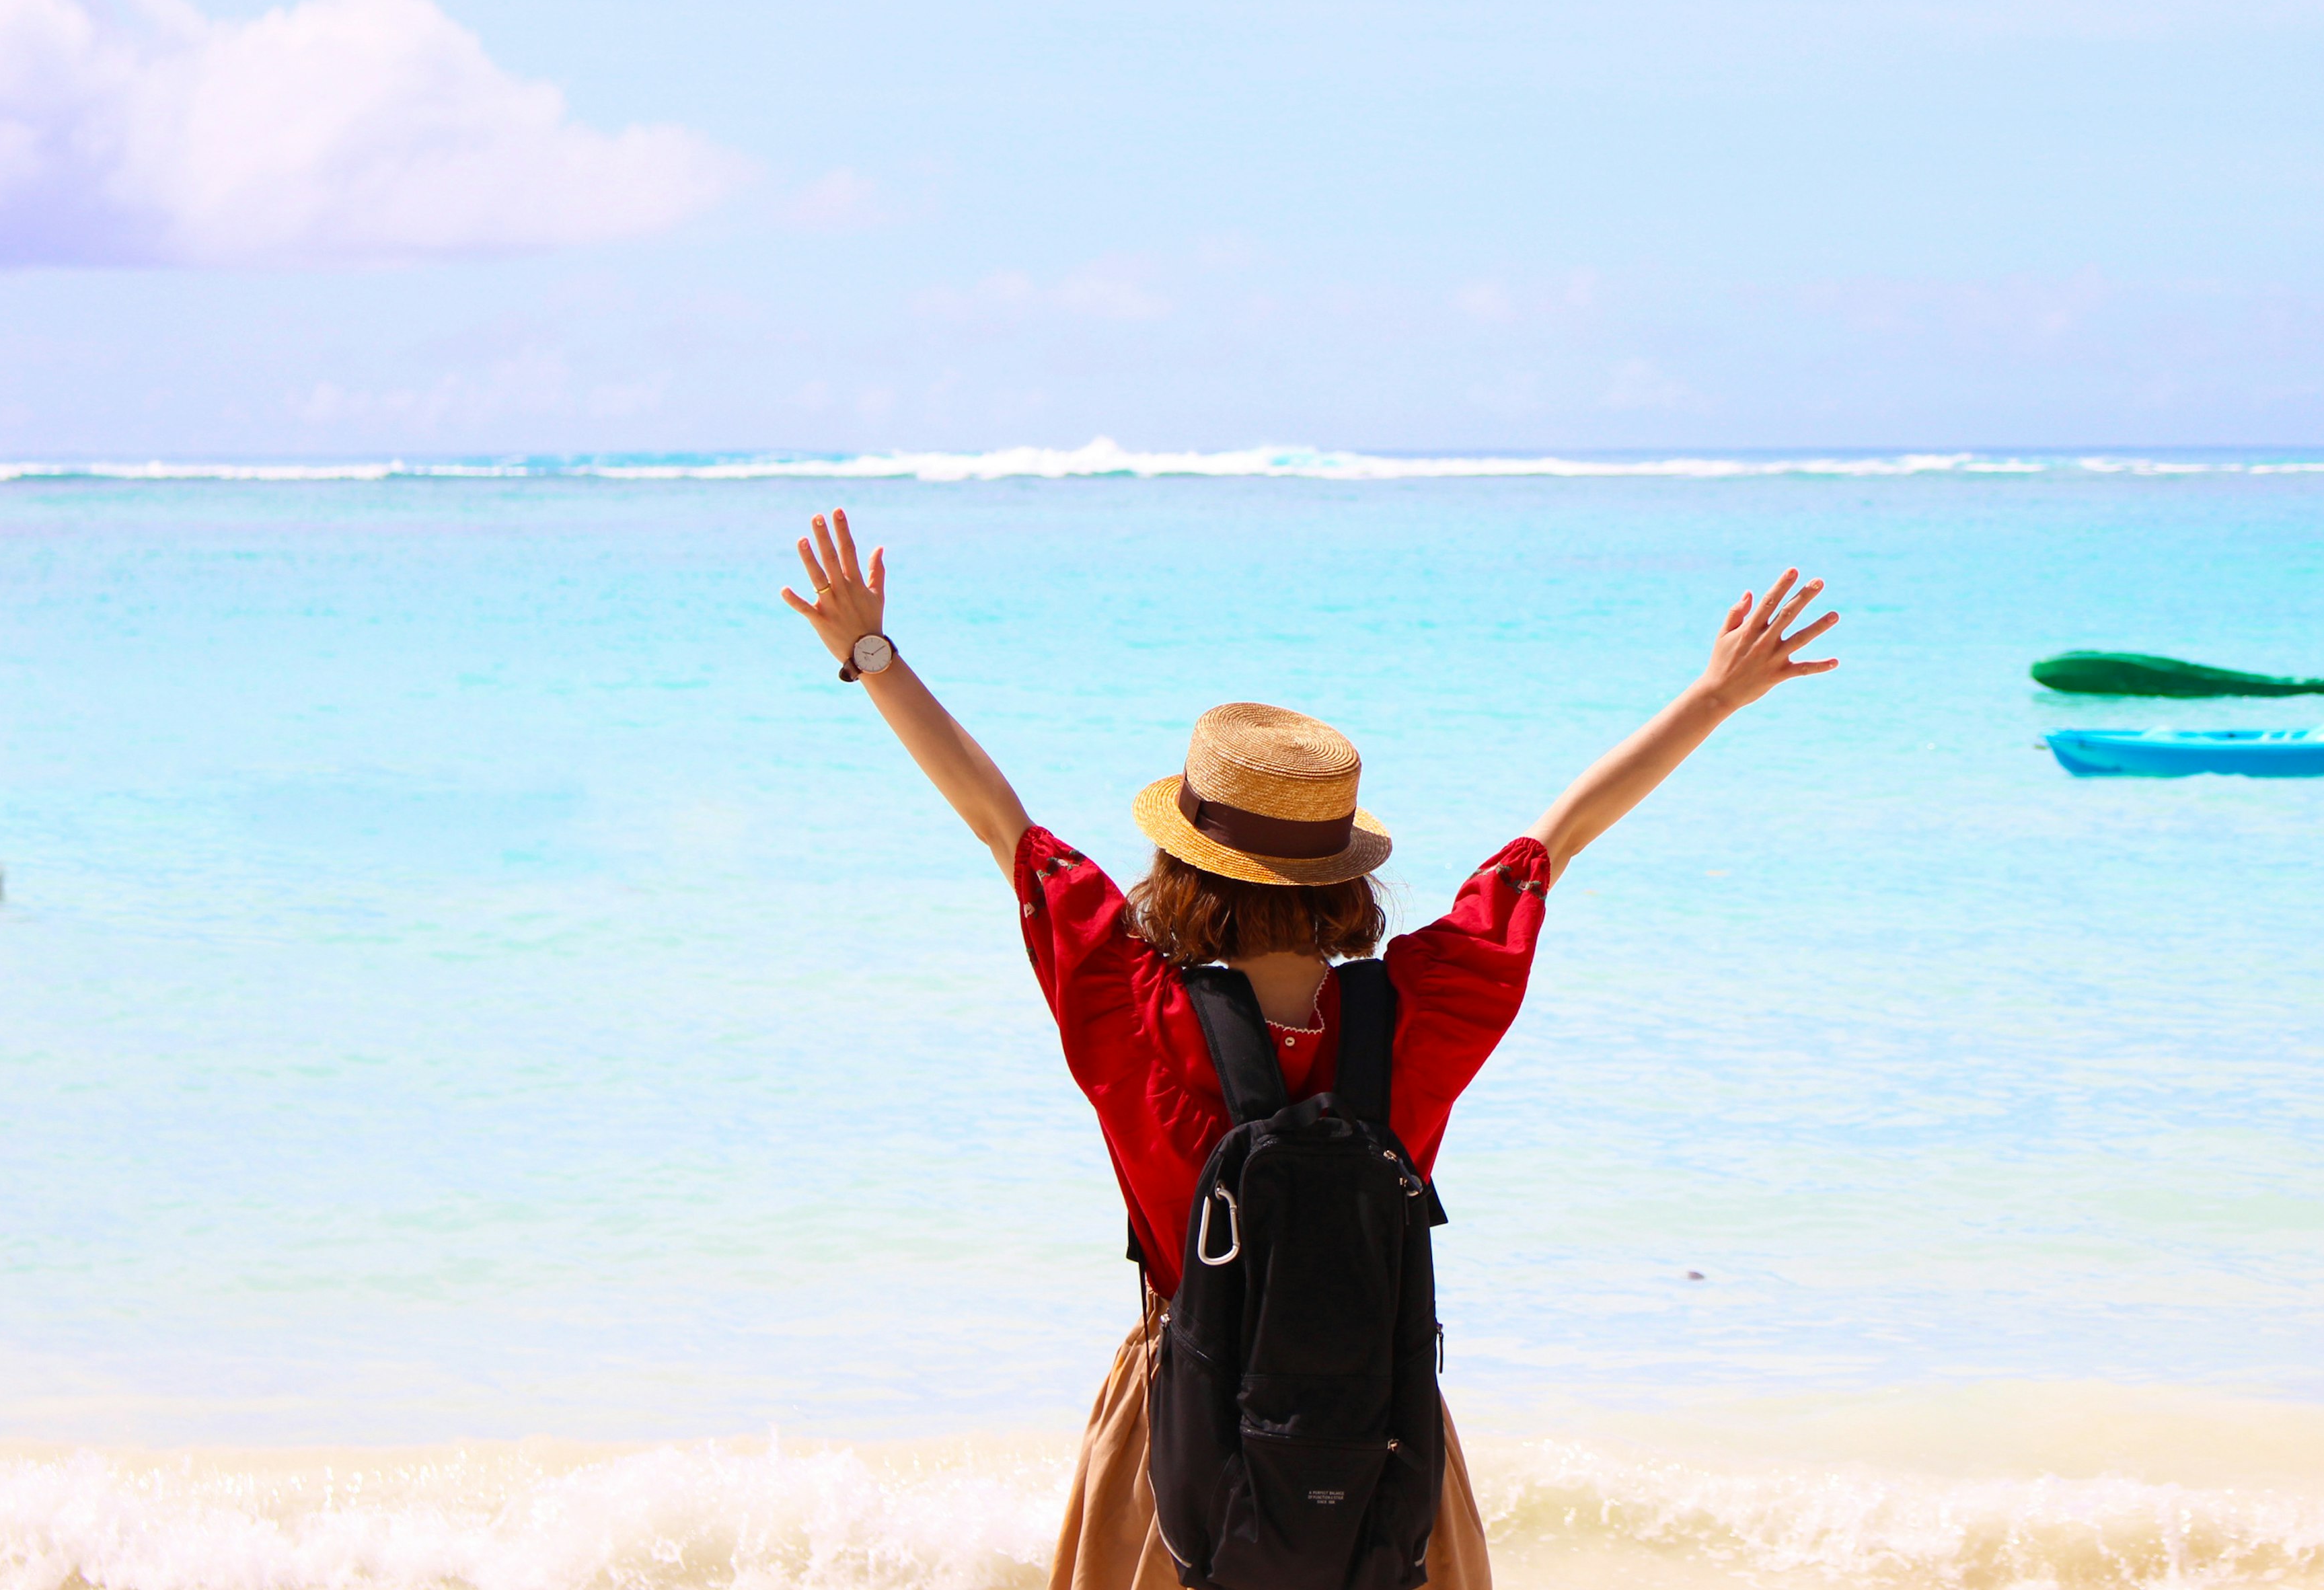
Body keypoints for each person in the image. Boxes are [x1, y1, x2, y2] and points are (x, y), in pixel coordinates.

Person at [781, 507, 1838, 1590]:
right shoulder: (1426, 1007)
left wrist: (872, 655)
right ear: (1348, 876)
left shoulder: (1127, 1000)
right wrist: (1716, 696)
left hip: (1179, 1445)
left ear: (1181, 870)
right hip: (1377, 1454)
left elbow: (995, 820)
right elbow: (1553, 843)